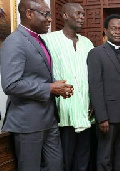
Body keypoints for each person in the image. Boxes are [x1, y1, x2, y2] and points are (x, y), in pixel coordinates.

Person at [0, 0, 74, 170]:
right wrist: (50, 88)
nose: (49, 19)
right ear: (29, 14)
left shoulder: (39, 40)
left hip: (49, 119)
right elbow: (11, 84)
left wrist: (56, 87)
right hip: (28, 123)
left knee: (56, 166)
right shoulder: (14, 42)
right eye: (45, 14)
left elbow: (36, 76)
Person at [42, 3, 94, 171]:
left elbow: (93, 76)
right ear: (65, 16)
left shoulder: (87, 43)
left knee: (83, 159)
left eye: (83, 14)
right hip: (61, 113)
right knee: (63, 160)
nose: (82, 17)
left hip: (85, 111)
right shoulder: (49, 40)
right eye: (78, 13)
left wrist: (93, 101)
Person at [87, 14, 120, 171]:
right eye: (113, 28)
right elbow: (95, 87)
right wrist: (101, 117)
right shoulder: (96, 53)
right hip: (108, 117)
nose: (117, 31)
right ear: (105, 31)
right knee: (105, 156)